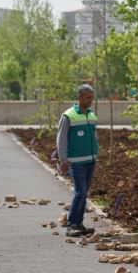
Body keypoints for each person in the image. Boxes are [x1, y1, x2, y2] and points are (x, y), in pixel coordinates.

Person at [56, 84, 99, 237]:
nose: (90, 101)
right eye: (88, 98)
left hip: (90, 161)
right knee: (80, 193)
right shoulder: (68, 116)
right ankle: (72, 225)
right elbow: (61, 139)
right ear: (79, 97)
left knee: (84, 193)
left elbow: (93, 136)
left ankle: (79, 224)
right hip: (76, 162)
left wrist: (96, 153)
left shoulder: (91, 115)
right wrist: (64, 160)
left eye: (92, 98)